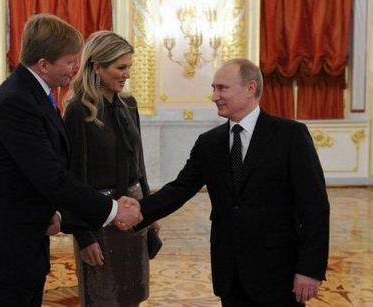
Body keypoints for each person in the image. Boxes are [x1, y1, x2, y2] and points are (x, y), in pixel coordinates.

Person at [0, 14, 142, 307]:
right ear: (44, 64)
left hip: (25, 235)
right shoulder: (16, 101)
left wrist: (51, 213)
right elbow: (52, 176)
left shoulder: (34, 94)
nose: (75, 69)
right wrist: (112, 210)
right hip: (4, 245)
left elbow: (36, 172)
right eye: (70, 61)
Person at [136, 58, 330, 306]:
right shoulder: (209, 143)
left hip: (279, 274)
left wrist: (310, 269)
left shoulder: (290, 136)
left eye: (222, 88)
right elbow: (180, 188)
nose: (214, 96)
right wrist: (138, 211)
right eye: (213, 88)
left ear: (250, 88)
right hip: (230, 273)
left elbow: (315, 207)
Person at [62, 30, 158, 307]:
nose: (127, 74)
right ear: (97, 66)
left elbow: (138, 165)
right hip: (99, 219)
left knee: (132, 295)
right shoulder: (79, 110)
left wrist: (149, 210)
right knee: (103, 298)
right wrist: (84, 237)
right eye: (120, 67)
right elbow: (73, 179)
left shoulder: (129, 103)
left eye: (129, 67)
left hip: (134, 214)